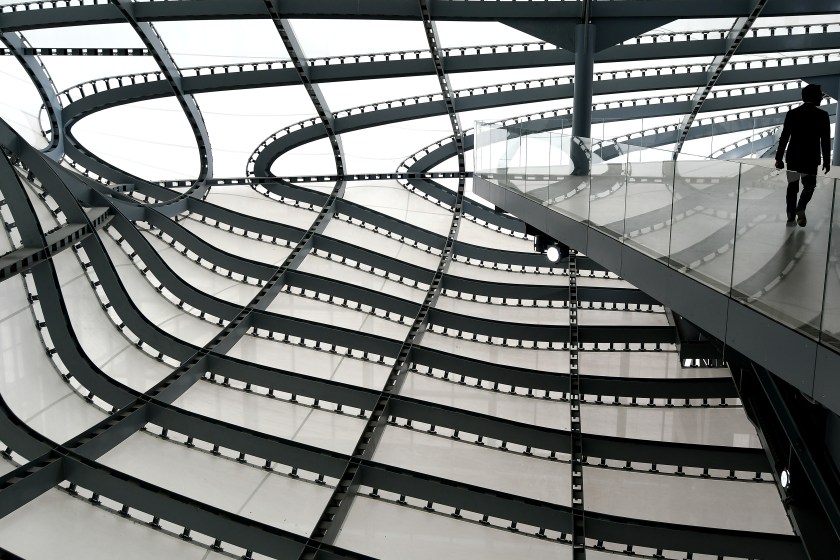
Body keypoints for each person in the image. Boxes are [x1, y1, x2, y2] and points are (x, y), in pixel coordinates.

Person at [775, 84, 831, 227]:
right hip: (811, 160)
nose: (822, 98)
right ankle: (801, 207)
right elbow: (825, 140)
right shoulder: (822, 115)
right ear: (814, 96)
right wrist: (826, 160)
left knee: (792, 187)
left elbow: (784, 137)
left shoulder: (792, 114)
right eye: (820, 95)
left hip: (793, 158)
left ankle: (790, 217)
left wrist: (778, 158)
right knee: (809, 187)